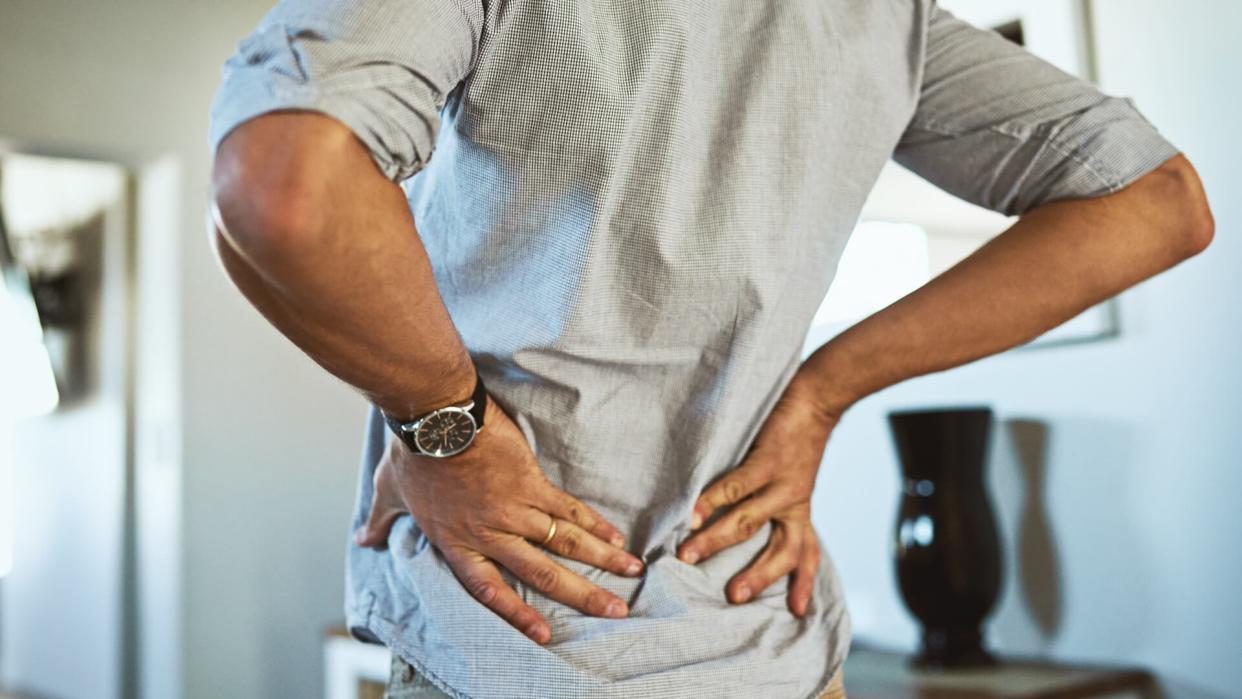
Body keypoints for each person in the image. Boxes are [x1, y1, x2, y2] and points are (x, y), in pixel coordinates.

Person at [206, 0, 1213, 696]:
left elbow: (280, 188)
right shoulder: (884, 19)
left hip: (520, 651)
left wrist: (446, 430)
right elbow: (1158, 202)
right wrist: (824, 393)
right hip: (775, 645)